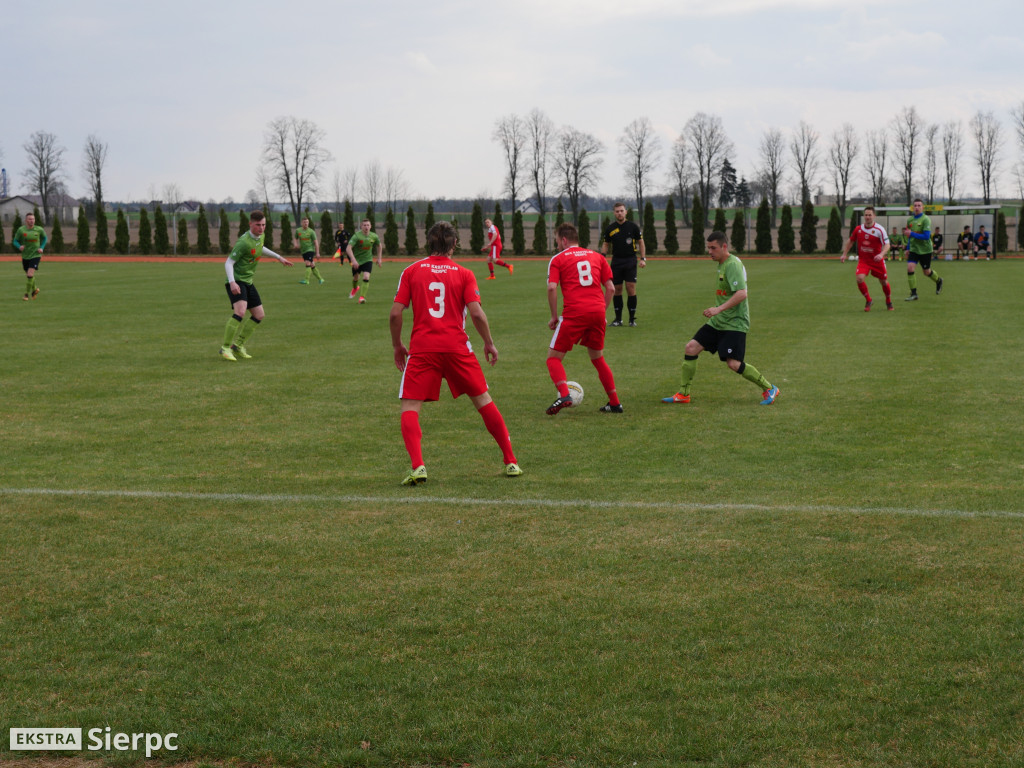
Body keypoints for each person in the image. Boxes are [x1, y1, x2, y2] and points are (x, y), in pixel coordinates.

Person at [389, 220, 522, 485]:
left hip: (423, 349)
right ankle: (511, 462)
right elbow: (476, 313)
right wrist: (489, 343)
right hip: (457, 348)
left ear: (429, 242)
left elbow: (395, 313)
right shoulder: (464, 273)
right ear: (455, 245)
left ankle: (418, 467)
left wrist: (397, 346)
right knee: (484, 401)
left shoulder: (411, 271)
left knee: (410, 406)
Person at [661, 230, 779, 406]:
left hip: (735, 323)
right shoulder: (721, 264)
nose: (709, 251)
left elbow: (742, 294)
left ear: (724, 247)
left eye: (713, 248)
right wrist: (719, 312)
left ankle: (769, 388)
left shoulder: (733, 265)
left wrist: (718, 309)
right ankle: (683, 394)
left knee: (733, 363)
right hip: (719, 322)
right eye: (708, 248)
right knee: (691, 348)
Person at [545, 222, 623, 415]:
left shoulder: (558, 259)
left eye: (557, 241)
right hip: (597, 312)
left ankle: (564, 394)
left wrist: (554, 317)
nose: (557, 245)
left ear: (563, 240)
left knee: (553, 359)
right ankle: (615, 403)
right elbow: (611, 288)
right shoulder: (597, 256)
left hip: (574, 313)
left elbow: (552, 287)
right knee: (597, 358)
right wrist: (601, 313)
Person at [220, 210, 293, 361]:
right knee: (240, 312)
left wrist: (279, 257)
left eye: (264, 225)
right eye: (258, 225)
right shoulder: (243, 242)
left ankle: (238, 346)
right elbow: (229, 262)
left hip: (248, 281)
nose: (261, 228)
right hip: (237, 280)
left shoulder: (260, 236)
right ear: (250, 224)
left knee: (259, 315)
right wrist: (232, 282)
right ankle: (225, 347)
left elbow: (261, 248)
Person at [840, 206, 893, 311]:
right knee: (859, 279)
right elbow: (851, 241)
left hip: (877, 261)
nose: (868, 217)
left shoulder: (880, 229)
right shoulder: (858, 229)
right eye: (866, 215)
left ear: (874, 216)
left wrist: (881, 254)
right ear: (864, 216)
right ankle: (869, 300)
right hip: (864, 260)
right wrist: (844, 254)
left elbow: (887, 244)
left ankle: (888, 300)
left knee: (883, 282)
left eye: (870, 215)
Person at [601, 202, 646, 326]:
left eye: (621, 211)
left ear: (625, 212)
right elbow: (605, 244)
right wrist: (602, 258)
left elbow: (641, 242)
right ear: (614, 213)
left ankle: (632, 319)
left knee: (630, 288)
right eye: (617, 211)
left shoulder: (633, 227)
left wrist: (643, 258)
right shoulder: (610, 228)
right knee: (617, 289)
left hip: (630, 260)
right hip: (616, 261)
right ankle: (618, 319)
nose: (619, 213)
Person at [903, 198, 942, 301]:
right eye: (915, 205)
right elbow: (909, 236)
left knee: (926, 272)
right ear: (913, 207)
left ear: (922, 207)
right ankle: (914, 294)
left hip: (925, 250)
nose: (916, 207)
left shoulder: (926, 219)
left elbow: (926, 236)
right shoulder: (910, 220)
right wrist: (908, 248)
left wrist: (911, 233)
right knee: (910, 268)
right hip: (914, 249)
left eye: (919, 205)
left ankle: (938, 281)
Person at [346, 218, 382, 303]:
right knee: (356, 278)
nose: (366, 227)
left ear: (370, 226)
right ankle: (355, 288)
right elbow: (348, 248)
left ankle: (361, 298)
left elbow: (379, 246)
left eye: (368, 225)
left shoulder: (374, 236)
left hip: (368, 260)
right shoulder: (357, 236)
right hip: (357, 260)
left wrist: (379, 258)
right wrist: (353, 260)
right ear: (361, 226)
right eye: (364, 225)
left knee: (366, 277)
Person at [13, 212, 46, 301]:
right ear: (26, 220)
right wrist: (19, 246)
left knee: (30, 274)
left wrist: (41, 248)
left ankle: (26, 294)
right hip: (25, 256)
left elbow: (45, 238)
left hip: (36, 255)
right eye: (30, 219)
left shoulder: (39, 229)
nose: (32, 221)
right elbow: (15, 241)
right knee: (29, 276)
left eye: (33, 219)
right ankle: (35, 289)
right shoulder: (21, 230)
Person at [294, 216, 324, 285]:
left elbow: (316, 243)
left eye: (307, 222)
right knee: (312, 265)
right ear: (302, 223)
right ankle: (320, 279)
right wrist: (295, 244)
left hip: (310, 250)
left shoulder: (311, 232)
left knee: (307, 263)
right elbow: (295, 238)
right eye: (304, 222)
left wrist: (317, 253)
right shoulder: (298, 231)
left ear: (308, 223)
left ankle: (306, 280)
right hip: (303, 251)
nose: (306, 223)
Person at [333, 223, 356, 294]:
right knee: (341, 254)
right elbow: (335, 238)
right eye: (339, 225)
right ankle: (341, 263)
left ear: (343, 226)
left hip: (345, 244)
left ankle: (350, 262)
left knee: (348, 253)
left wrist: (347, 240)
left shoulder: (346, 231)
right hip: (340, 245)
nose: (340, 226)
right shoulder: (337, 232)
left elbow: (349, 236)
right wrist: (337, 242)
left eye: (341, 225)